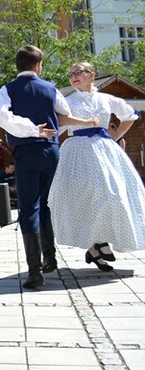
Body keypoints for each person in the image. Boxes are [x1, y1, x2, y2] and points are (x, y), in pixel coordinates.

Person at [0, 45, 98, 289]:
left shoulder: (8, 90)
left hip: (26, 152)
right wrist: (45, 130)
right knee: (47, 205)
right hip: (51, 151)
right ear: (38, 65)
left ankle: (34, 271)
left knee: (28, 207)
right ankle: (50, 257)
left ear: (18, 65)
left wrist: (29, 129)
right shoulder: (51, 88)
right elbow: (64, 113)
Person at [48, 62, 145, 270]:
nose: (73, 76)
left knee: (113, 195)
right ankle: (97, 244)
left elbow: (129, 116)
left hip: (104, 151)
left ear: (91, 75)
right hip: (77, 152)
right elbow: (59, 121)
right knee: (89, 197)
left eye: (78, 72)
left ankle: (97, 246)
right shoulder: (68, 100)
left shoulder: (107, 99)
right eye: (70, 73)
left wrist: (114, 137)